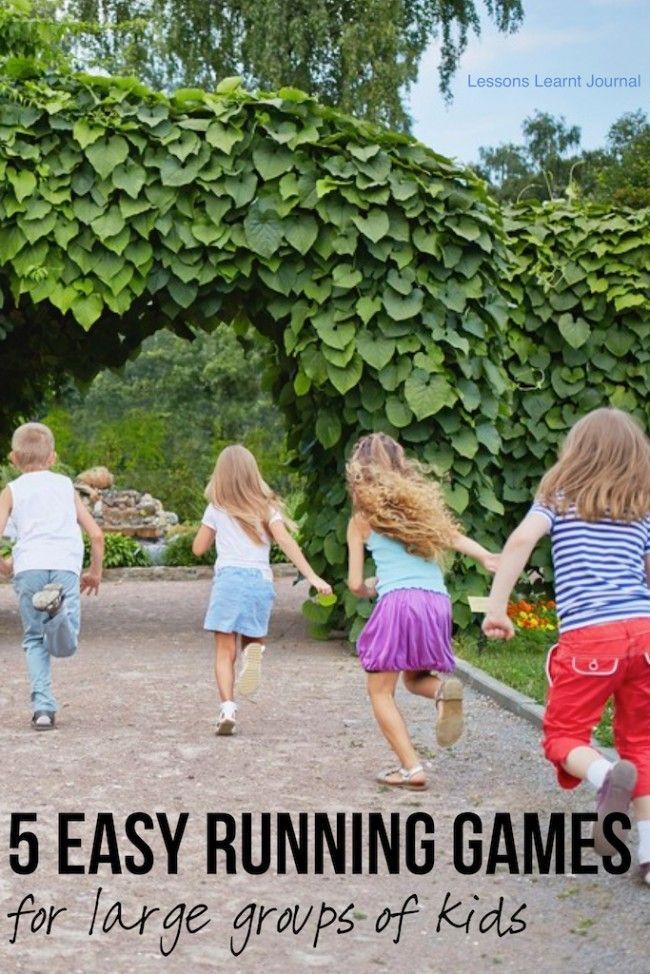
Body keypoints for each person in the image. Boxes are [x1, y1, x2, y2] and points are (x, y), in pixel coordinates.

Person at [482, 408, 650, 885]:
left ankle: (604, 777)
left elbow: (520, 542)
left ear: (576, 450)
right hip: (644, 635)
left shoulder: (557, 495)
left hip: (590, 638)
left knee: (564, 736)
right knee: (644, 743)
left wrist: (497, 607)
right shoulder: (642, 504)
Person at [346, 432, 499, 790]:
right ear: (401, 465)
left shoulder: (361, 519)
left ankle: (412, 769)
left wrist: (372, 584)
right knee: (414, 678)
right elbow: (453, 537)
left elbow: (355, 584)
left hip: (399, 603)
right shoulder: (420, 509)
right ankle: (444, 691)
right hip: (435, 601)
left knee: (380, 691)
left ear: (360, 471)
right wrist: (486, 556)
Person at [192, 444, 332, 736]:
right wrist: (313, 577)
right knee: (252, 639)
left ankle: (228, 708)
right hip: (259, 579)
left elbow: (197, 548)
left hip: (229, 579)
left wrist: (214, 531)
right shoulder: (265, 508)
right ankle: (254, 653)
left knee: (224, 650)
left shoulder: (216, 507)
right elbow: (286, 543)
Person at [0, 422, 104, 731]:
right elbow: (96, 534)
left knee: (34, 638)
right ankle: (57, 613)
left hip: (29, 566)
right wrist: (95, 573)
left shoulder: (11, 490)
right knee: (66, 646)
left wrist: (3, 564)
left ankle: (43, 708)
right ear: (53, 457)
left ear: (13, 459)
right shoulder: (64, 486)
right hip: (64, 566)